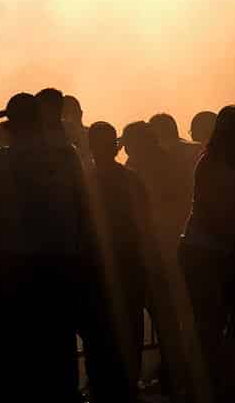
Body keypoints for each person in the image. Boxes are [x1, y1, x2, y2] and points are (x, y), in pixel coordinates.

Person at [0, 92, 87, 401]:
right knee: (60, 335)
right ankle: (65, 392)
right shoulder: (69, 154)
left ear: (14, 123)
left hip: (19, 258)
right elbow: (83, 205)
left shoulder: (2, 159)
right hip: (64, 253)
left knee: (25, 337)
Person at [179, 106, 235, 401]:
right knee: (214, 323)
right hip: (209, 251)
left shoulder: (215, 161)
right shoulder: (214, 164)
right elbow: (215, 213)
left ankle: (220, 382)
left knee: (219, 322)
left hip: (208, 250)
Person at [120, 120, 195, 399]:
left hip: (147, 255)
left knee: (139, 322)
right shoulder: (169, 163)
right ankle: (176, 375)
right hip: (169, 251)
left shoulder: (133, 170)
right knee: (169, 321)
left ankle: (138, 379)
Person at [83, 121, 151, 402]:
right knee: (129, 331)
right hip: (128, 265)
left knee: (97, 336)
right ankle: (127, 385)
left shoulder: (82, 181)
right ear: (117, 146)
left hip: (95, 268)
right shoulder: (131, 180)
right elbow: (144, 225)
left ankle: (102, 387)